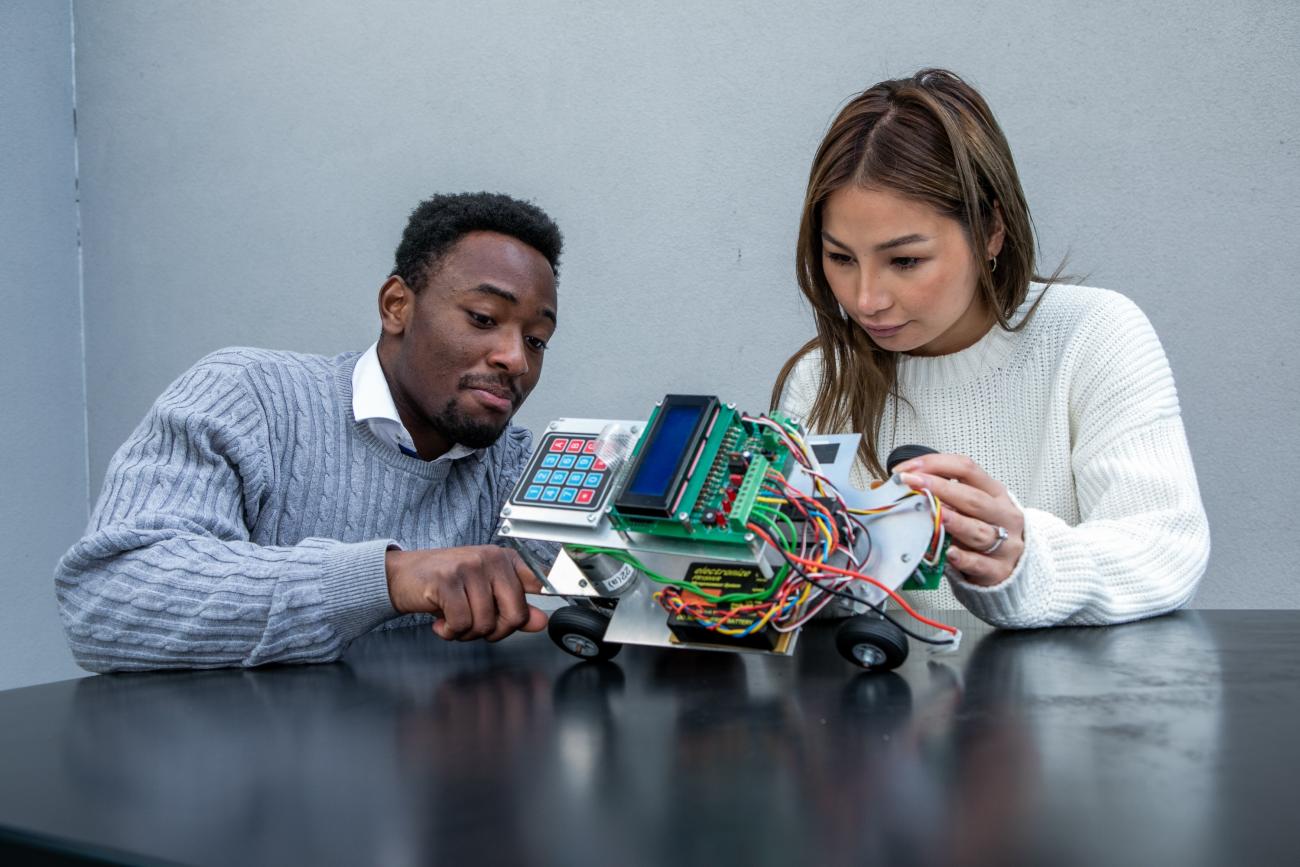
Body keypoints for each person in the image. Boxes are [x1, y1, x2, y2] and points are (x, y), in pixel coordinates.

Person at [772, 69, 1210, 628]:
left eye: (905, 261)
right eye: (840, 258)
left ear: (990, 231)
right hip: (879, 706)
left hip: (1063, 708)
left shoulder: (1092, 333)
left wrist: (1024, 560)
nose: (866, 299)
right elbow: (804, 593)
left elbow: (1166, 547)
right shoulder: (818, 378)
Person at [56, 192, 564, 671]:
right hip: (248, 757)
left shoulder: (512, 466)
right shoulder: (248, 396)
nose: (515, 359)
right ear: (396, 306)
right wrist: (387, 579)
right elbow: (108, 599)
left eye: (537, 341)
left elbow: (629, 591)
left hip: (425, 755)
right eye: (483, 317)